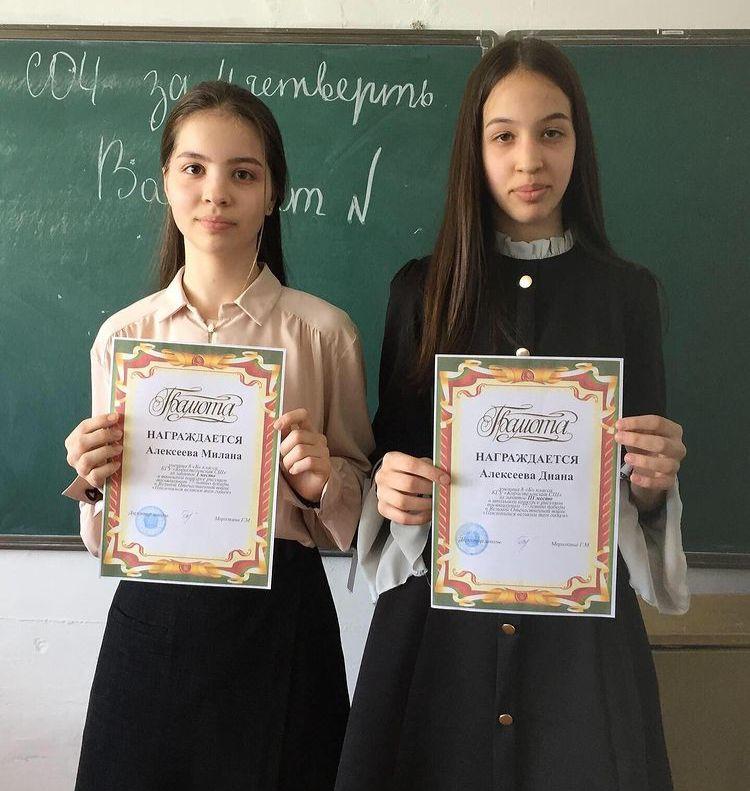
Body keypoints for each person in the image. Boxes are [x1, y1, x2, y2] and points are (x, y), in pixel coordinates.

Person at [336, 38, 688, 791]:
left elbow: (641, 481)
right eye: (504, 136)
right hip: (440, 641)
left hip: (579, 650)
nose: (530, 159)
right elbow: (391, 459)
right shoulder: (420, 291)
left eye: (551, 132)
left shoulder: (626, 295)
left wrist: (654, 483)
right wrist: (391, 487)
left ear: (578, 143)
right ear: (475, 150)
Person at [63, 80, 374, 791]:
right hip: (153, 617)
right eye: (194, 168)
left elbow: (358, 519)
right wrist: (93, 480)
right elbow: (104, 534)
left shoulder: (325, 334)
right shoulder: (124, 336)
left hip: (282, 624)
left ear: (273, 193)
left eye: (243, 173)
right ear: (166, 183)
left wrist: (322, 483)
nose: (216, 193)